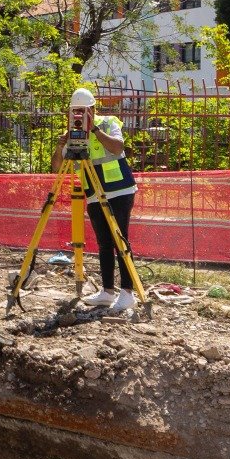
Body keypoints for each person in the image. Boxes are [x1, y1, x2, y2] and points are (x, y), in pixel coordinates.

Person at [88, 114, 139, 311]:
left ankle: (127, 292)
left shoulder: (107, 123)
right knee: (104, 244)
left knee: (120, 240)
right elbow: (58, 167)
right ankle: (107, 292)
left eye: (83, 110)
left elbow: (118, 147)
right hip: (94, 193)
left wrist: (94, 129)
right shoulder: (73, 132)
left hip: (119, 190)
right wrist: (61, 146)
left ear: (92, 108)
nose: (78, 115)